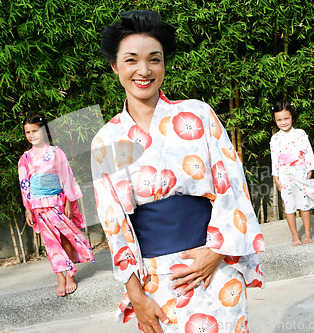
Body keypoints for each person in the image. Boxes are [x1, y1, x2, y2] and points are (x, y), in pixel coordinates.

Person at [91, 11, 264, 333]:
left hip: (215, 262)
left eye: (154, 60)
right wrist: (136, 296)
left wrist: (216, 251)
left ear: (164, 64)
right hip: (155, 276)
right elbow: (114, 226)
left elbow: (233, 186)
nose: (144, 71)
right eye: (131, 60)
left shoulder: (198, 114)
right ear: (115, 66)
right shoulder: (106, 140)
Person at [18, 113, 95, 296]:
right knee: (51, 243)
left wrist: (69, 201)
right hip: (38, 205)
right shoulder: (25, 158)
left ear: (43, 130)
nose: (31, 135)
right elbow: (25, 185)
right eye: (28, 132)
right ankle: (60, 276)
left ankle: (70, 275)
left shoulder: (55, 152)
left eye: (35, 131)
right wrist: (28, 209)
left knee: (65, 237)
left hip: (58, 201)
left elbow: (66, 177)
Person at [270, 100, 314, 246]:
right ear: (275, 120)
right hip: (285, 174)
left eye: (286, 118)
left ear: (292, 118)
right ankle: (295, 235)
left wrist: (309, 171)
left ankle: (307, 233)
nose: (283, 122)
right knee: (289, 205)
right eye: (279, 120)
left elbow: (308, 152)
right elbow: (274, 159)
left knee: (304, 204)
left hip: (301, 172)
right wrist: (276, 178)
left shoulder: (301, 134)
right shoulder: (275, 138)